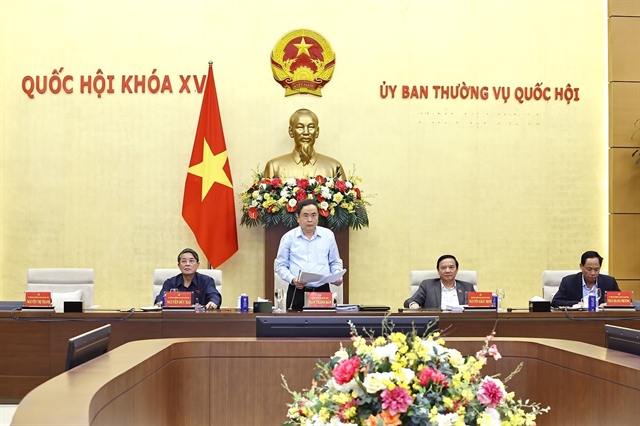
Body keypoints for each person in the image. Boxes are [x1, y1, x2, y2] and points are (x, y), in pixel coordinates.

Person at [275, 199, 344, 310]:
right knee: (295, 321)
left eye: (313, 215)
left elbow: (334, 262)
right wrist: (293, 279)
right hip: (297, 291)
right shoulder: (288, 238)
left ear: (318, 217)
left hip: (322, 292)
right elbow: (280, 266)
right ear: (298, 218)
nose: (310, 220)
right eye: (305, 216)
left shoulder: (328, 236)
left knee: (324, 320)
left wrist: (337, 275)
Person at [263, 109, 344, 179]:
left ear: (317, 131)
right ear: (291, 131)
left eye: (311, 127)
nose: (306, 132)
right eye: (300, 127)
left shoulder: (334, 167)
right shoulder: (274, 167)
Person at [154, 248, 221, 309]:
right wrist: (160, 302)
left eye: (191, 261)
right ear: (179, 265)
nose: (187, 264)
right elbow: (160, 297)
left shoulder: (206, 281)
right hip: (175, 317)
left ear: (197, 264)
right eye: (184, 261)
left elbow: (214, 295)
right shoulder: (170, 282)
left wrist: (213, 302)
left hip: (199, 317)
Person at [551, 250, 620, 308]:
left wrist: (609, 304)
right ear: (581, 266)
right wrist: (577, 304)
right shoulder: (568, 282)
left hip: (602, 318)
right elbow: (555, 302)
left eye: (596, 269)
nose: (593, 273)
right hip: (577, 318)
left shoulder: (609, 282)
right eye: (589, 269)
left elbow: (624, 301)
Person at [404, 254, 475, 310]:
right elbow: (409, 301)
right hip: (435, 322)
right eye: (443, 268)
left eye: (451, 267)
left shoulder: (468, 287)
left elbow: (477, 305)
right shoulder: (427, 286)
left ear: (457, 270)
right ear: (438, 271)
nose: (447, 271)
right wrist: (413, 305)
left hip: (461, 322)